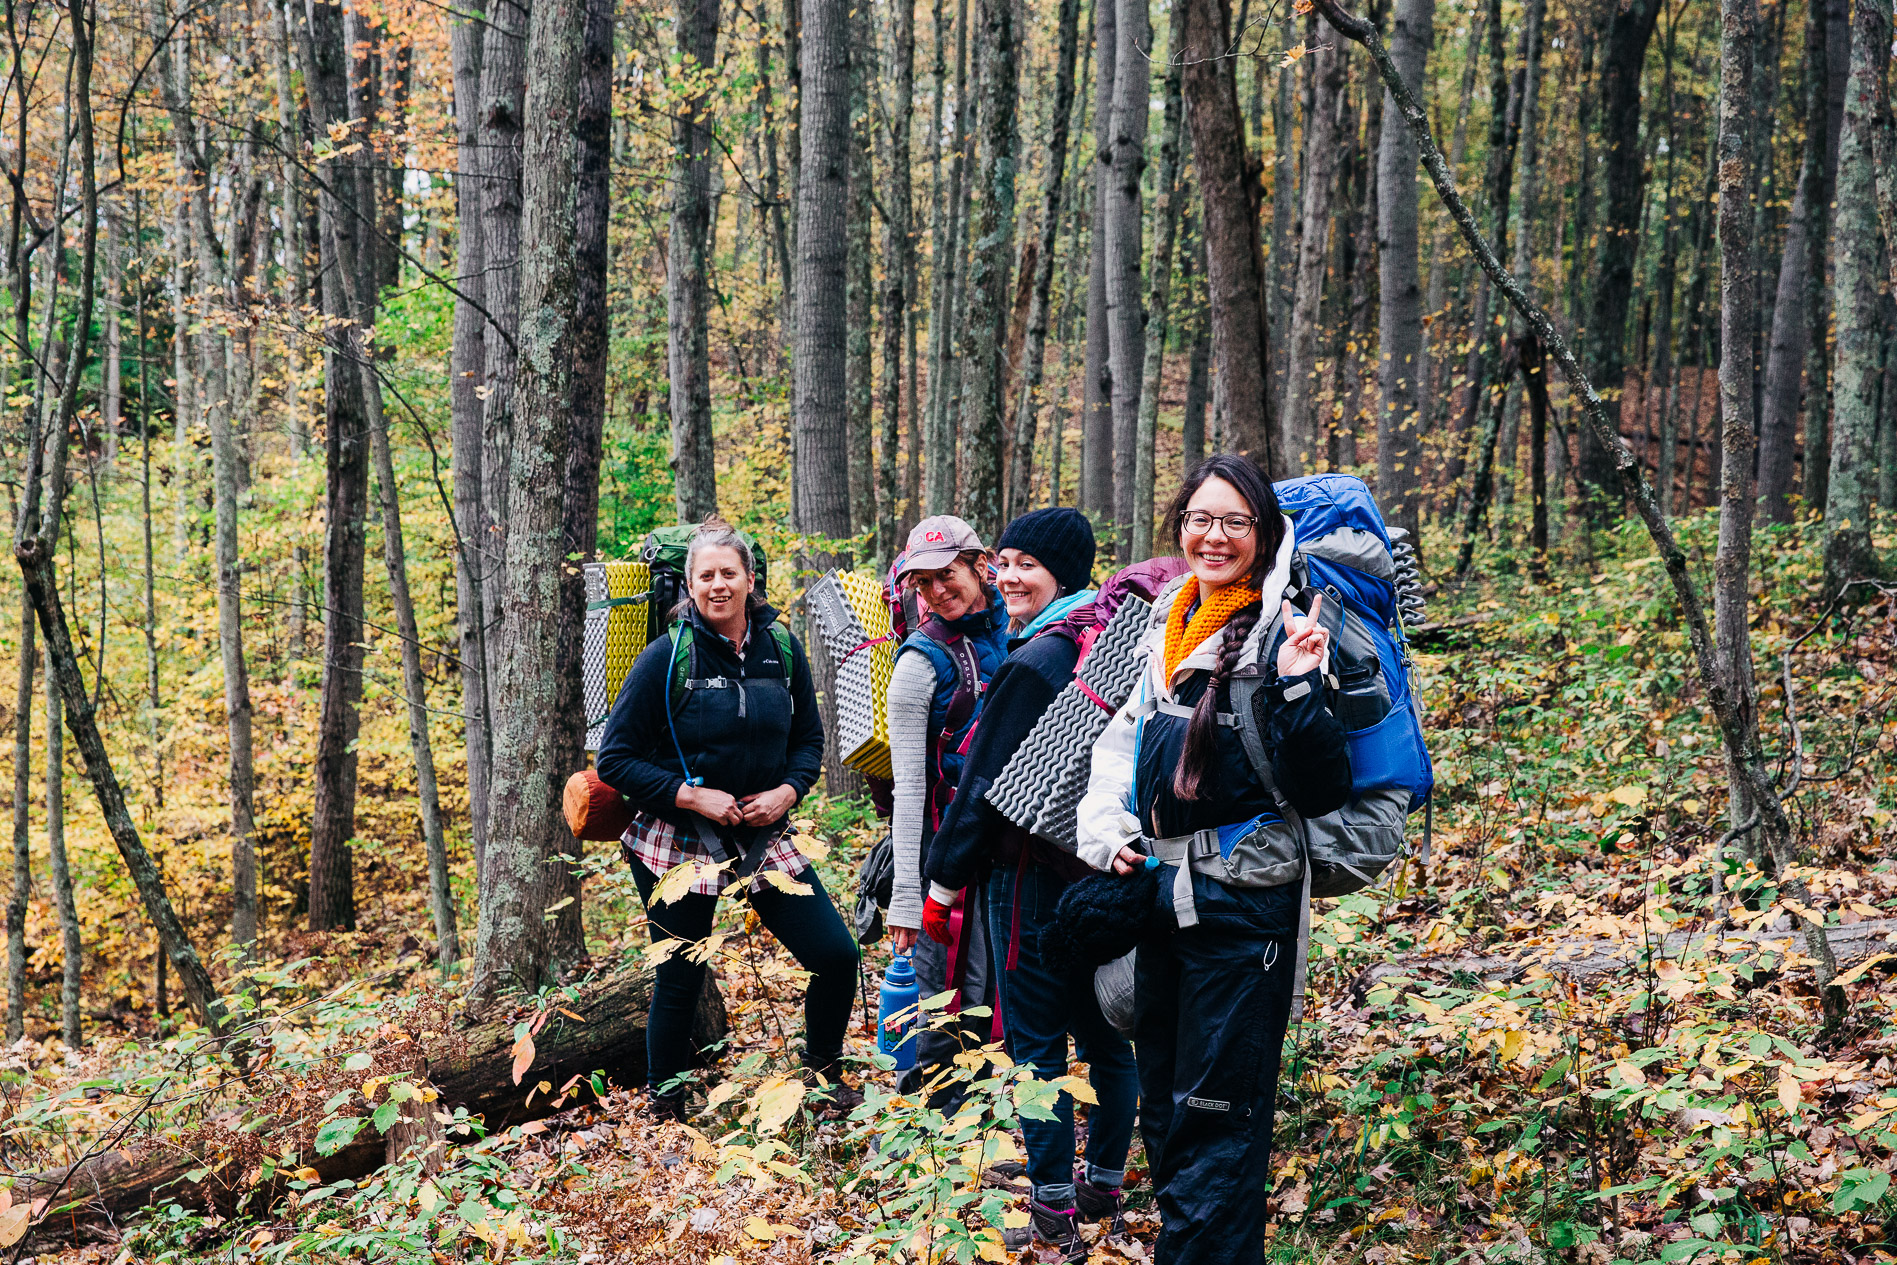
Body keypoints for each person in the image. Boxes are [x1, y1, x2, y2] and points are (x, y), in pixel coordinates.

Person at [1075, 455, 1352, 1264]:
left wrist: (1302, 686)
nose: (1214, 536)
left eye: (1234, 521)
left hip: (1242, 910)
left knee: (1218, 1121)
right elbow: (1119, 744)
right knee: (1165, 1116)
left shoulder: (1287, 628)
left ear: (1265, 534)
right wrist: (1108, 833)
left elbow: (1322, 785)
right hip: (1164, 898)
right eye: (1200, 518)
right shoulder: (1170, 618)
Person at [922, 508, 1141, 1260]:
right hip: (1096, 873)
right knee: (1106, 1036)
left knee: (1037, 1042)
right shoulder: (1102, 638)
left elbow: (981, 787)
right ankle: (1102, 1182)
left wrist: (943, 882)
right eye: (1003, 561)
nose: (1008, 577)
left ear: (1065, 575)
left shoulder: (1034, 659)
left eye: (1026, 565)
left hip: (1028, 878)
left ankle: (1052, 1215)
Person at [596, 519, 861, 1121]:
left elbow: (808, 740)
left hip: (762, 835)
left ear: (749, 580)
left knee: (837, 956)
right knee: (682, 974)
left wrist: (788, 792)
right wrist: (691, 796)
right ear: (689, 586)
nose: (718, 586)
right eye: (705, 576)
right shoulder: (666, 657)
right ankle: (665, 1109)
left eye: (728, 574)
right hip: (675, 840)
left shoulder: (783, 650)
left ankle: (822, 1082)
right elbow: (615, 758)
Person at [884, 515, 1012, 1094]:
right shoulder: (918, 664)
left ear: (979, 568)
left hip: (1009, 852)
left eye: (948, 574)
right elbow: (909, 787)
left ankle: (981, 1142)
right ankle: (935, 1151)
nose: (937, 591)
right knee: (946, 1009)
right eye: (924, 582)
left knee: (994, 1003)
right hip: (944, 861)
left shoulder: (1016, 631)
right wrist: (908, 901)